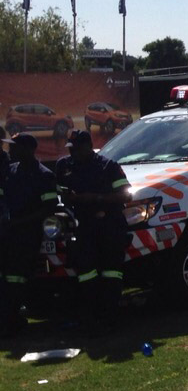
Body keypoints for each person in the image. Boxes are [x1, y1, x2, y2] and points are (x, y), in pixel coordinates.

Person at [55, 130, 132, 323]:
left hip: (109, 225)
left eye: (77, 148)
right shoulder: (65, 166)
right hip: (82, 226)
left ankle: (111, 317)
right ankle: (91, 316)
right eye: (70, 148)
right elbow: (56, 192)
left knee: (111, 273)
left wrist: (95, 198)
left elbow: (126, 195)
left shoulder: (107, 166)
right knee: (86, 273)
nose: (72, 152)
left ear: (88, 146)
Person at [1, 134, 58, 333]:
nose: (10, 151)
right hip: (8, 232)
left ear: (28, 149)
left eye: (14, 147)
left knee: (16, 277)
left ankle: (10, 320)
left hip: (27, 234)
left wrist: (19, 222)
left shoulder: (43, 175)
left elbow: (48, 207)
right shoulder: (10, 171)